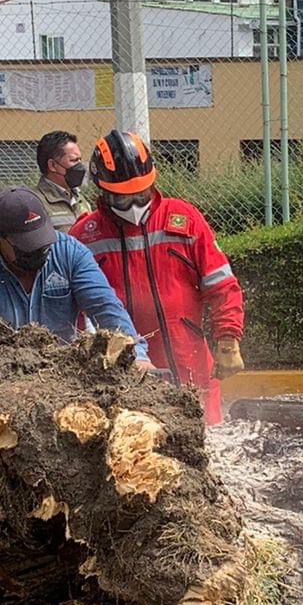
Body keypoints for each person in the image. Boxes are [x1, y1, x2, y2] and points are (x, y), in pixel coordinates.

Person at [71, 130, 245, 422]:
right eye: (123, 199)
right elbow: (76, 313)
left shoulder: (184, 220)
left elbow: (221, 284)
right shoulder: (86, 236)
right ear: (102, 191)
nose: (135, 206)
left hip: (190, 362)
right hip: (126, 374)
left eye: (141, 194)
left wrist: (227, 338)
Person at [0, 186, 150, 362]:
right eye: (28, 247)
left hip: (64, 371)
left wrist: (135, 356)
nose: (38, 253)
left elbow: (106, 307)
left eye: (41, 244)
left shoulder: (70, 252)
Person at [36, 130, 92, 231]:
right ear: (53, 165)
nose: (80, 166)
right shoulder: (37, 203)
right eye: (74, 160)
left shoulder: (80, 200)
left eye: (80, 160)